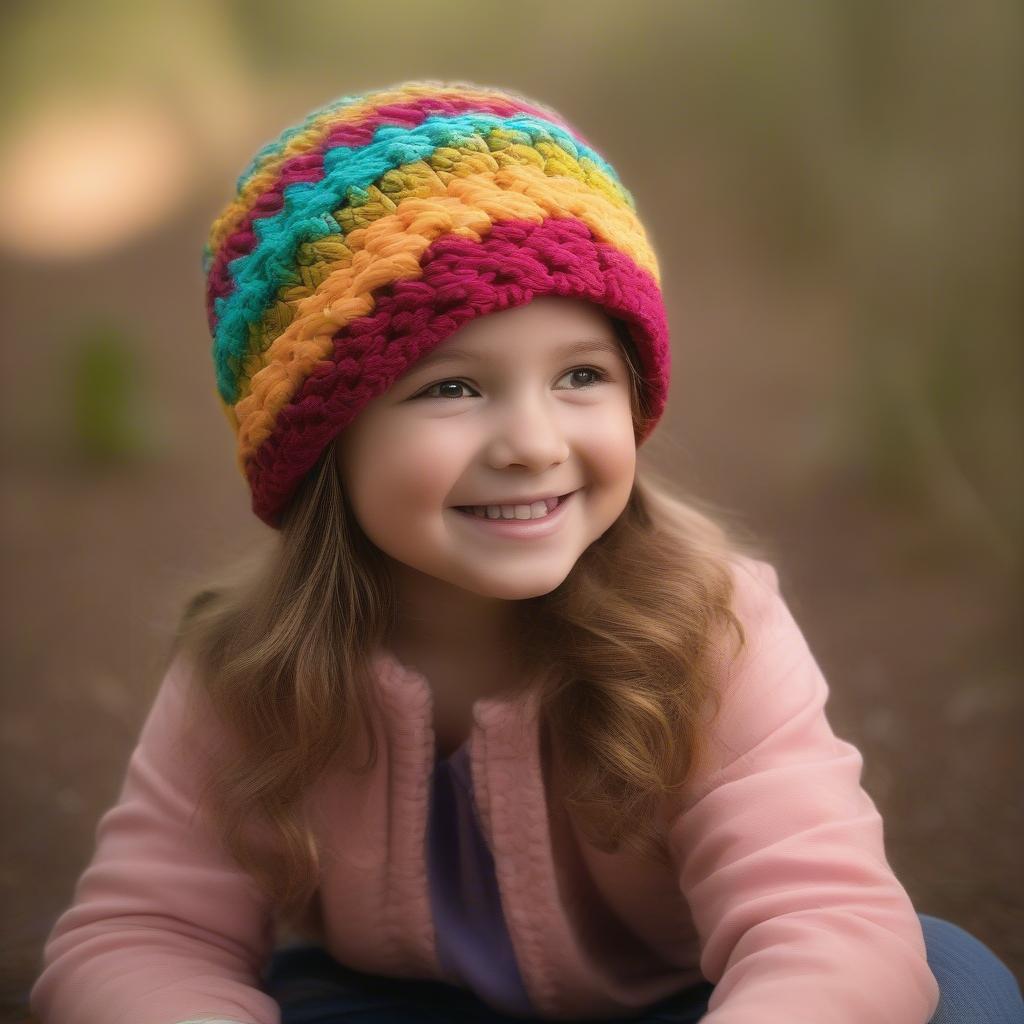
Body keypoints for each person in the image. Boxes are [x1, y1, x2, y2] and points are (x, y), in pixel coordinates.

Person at [29, 79, 1022, 1024]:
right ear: (320, 438)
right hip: (384, 1004)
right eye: (453, 388)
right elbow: (142, 931)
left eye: (580, 375)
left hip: (683, 1003)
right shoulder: (250, 666)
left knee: (944, 975)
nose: (534, 443)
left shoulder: (708, 624)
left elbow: (818, 917)